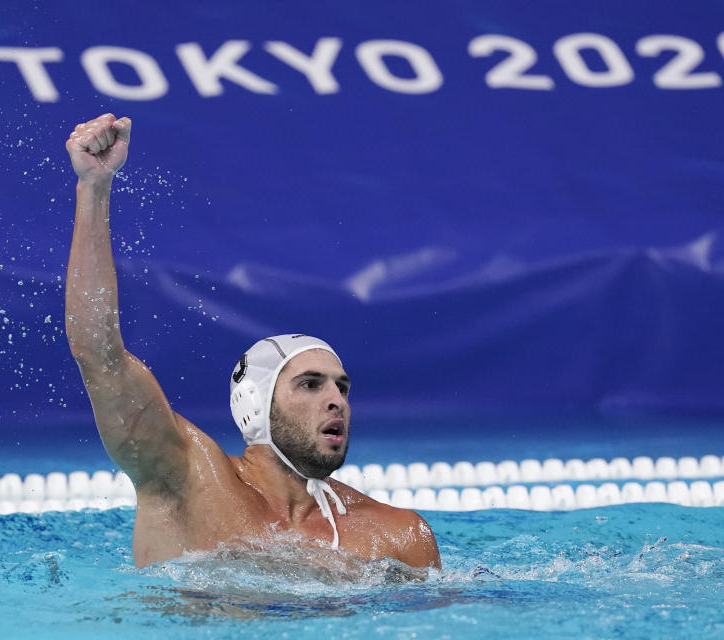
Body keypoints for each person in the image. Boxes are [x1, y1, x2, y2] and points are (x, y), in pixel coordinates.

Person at [64, 113, 441, 570]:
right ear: (256, 405)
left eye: (341, 387)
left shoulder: (400, 535)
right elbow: (98, 356)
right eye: (310, 384)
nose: (336, 401)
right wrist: (93, 188)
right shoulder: (187, 477)